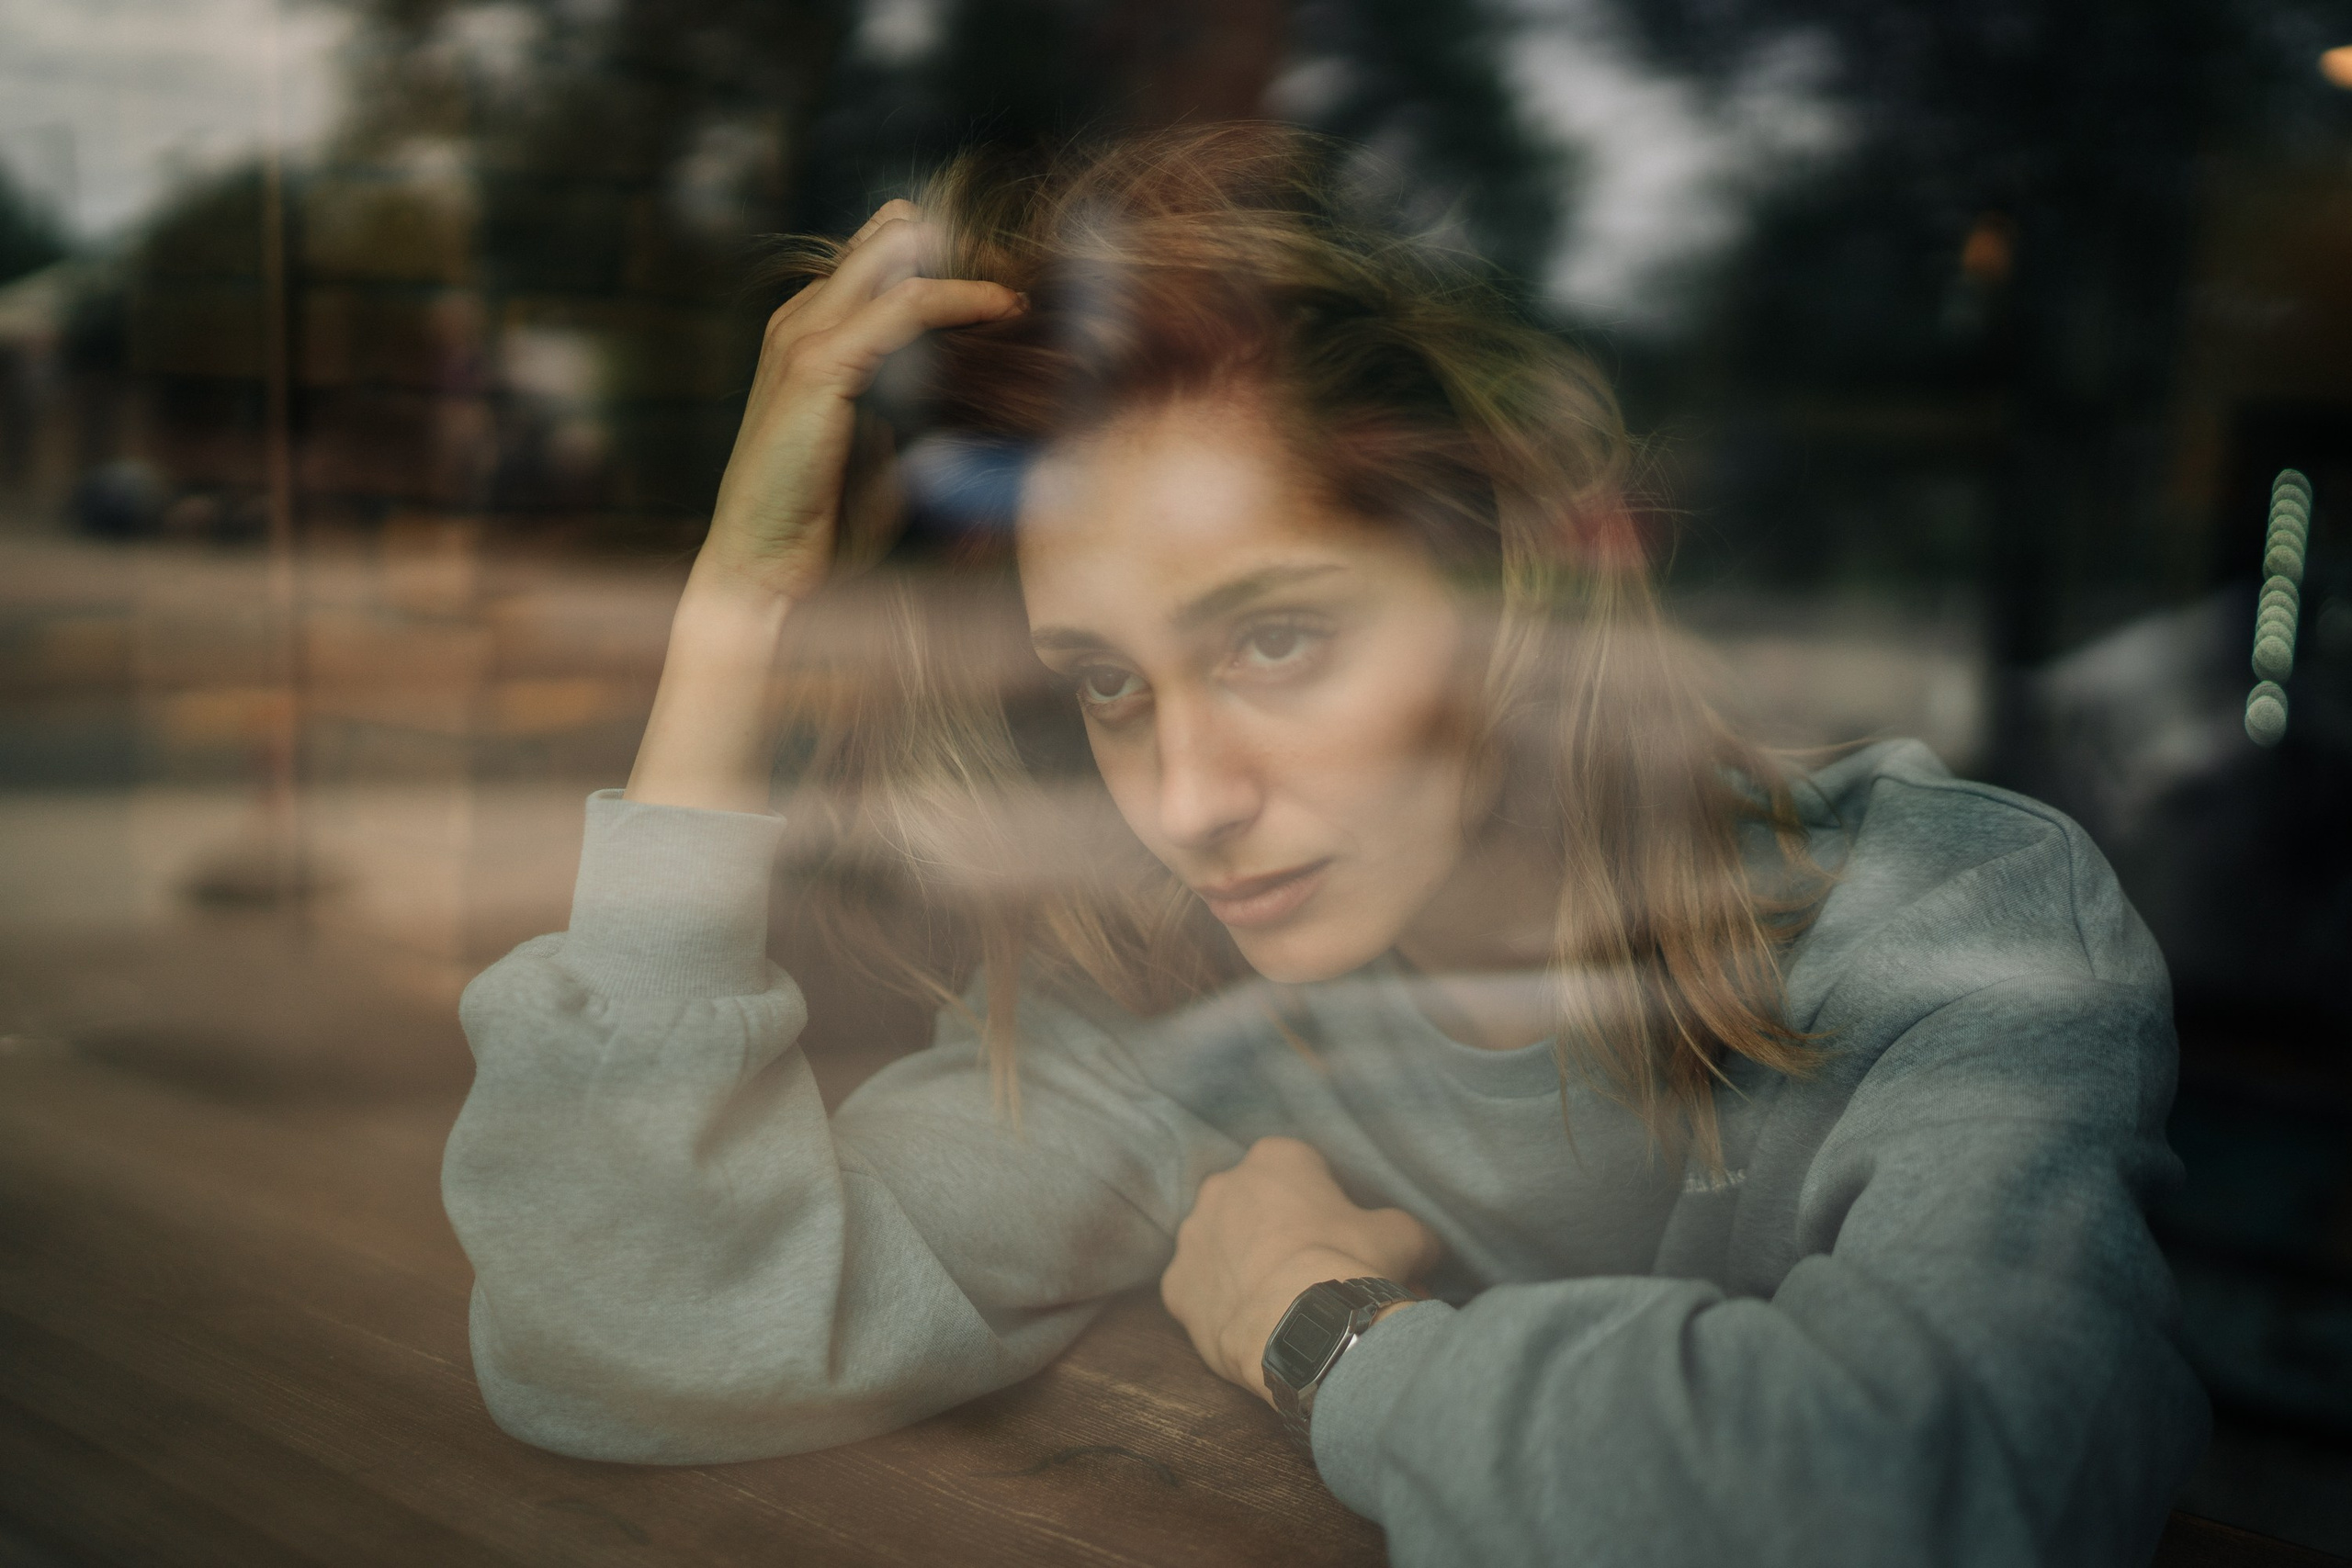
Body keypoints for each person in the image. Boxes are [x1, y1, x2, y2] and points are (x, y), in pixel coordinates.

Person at [443, 125, 2208, 1564]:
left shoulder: (1944, 928)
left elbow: (1946, 1505)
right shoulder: (1173, 1010)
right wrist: (736, 615)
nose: (1185, 801)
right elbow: (632, 1336)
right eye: (1109, 686)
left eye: (1276, 640)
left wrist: (1327, 1332)